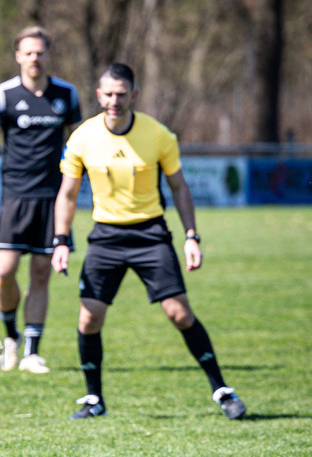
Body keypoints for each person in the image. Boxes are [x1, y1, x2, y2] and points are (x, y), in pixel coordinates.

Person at [51, 63, 246, 420]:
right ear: (98, 95)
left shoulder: (158, 135)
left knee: (180, 313)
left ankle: (222, 390)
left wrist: (191, 236)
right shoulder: (82, 137)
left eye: (122, 94)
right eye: (108, 94)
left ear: (134, 96)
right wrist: (61, 240)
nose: (114, 100)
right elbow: (66, 194)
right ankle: (94, 399)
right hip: (106, 237)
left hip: (150, 235)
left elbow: (179, 188)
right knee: (88, 318)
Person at [0, 26, 81, 374]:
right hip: (15, 196)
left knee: (40, 274)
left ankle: (33, 351)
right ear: (18, 56)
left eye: (40, 52)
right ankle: (11, 336)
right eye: (28, 52)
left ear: (48, 55)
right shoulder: (3, 95)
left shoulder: (67, 94)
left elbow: (80, 144)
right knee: (4, 272)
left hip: (53, 198)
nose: (35, 58)